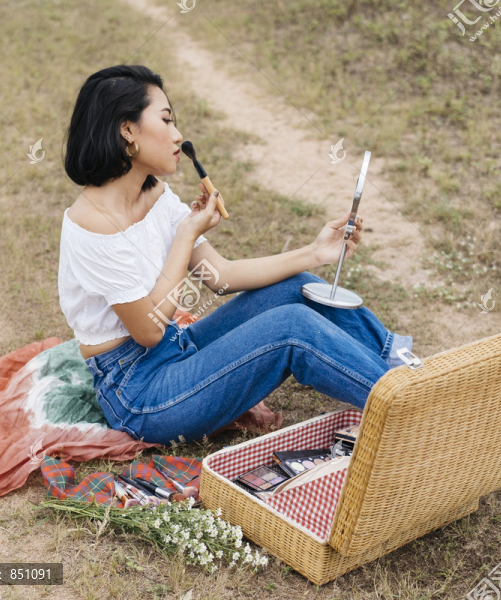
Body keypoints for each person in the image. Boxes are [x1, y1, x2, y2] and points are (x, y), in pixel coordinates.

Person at [58, 64, 413, 445]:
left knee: (298, 288)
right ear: (127, 130)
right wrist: (185, 235)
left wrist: (316, 252)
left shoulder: (156, 195)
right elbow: (147, 330)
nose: (178, 135)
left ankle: (401, 365)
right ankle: (409, 406)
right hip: (141, 395)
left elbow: (221, 275)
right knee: (292, 328)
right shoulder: (92, 227)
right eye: (166, 120)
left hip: (180, 349)